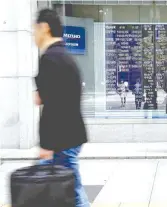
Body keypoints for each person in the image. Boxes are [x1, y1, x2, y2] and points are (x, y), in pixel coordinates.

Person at [33, 9, 89, 207]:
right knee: (71, 190)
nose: (33, 34)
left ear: (45, 28)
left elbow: (54, 105)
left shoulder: (51, 59)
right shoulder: (64, 56)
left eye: (35, 29)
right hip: (70, 135)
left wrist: (46, 145)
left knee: (72, 193)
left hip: (61, 140)